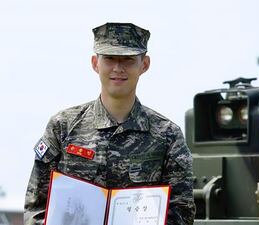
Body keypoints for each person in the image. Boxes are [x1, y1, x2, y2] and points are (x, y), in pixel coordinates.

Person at [24, 22, 195, 225]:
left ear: (145, 65)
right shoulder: (63, 126)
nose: (118, 68)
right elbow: (36, 206)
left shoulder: (167, 135)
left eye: (128, 60)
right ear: (95, 63)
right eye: (109, 59)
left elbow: (182, 212)